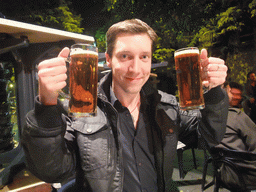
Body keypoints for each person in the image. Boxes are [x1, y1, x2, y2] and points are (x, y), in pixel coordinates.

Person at [21, 19, 228, 192]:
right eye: (125, 56)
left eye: (144, 57)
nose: (136, 68)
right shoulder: (80, 110)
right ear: (109, 59)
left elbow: (209, 137)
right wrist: (47, 103)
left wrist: (215, 91)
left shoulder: (166, 106)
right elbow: (51, 170)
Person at [215, 81, 256, 187]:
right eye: (230, 91)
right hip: (244, 175)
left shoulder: (207, 117)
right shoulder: (237, 116)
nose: (233, 96)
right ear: (222, 94)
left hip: (222, 173)